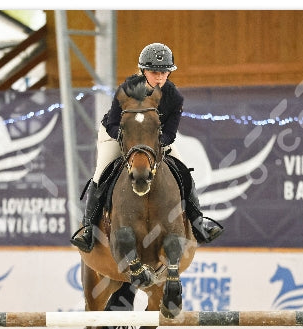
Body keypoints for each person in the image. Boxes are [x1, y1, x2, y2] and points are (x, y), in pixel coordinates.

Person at [70, 42, 224, 253]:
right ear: (143, 71)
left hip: (154, 141)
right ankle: (88, 229)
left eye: (164, 72)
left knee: (184, 172)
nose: (159, 77)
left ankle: (198, 223)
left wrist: (151, 145)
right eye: (154, 72)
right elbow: (113, 123)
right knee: (100, 173)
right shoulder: (127, 90)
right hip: (116, 136)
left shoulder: (174, 97)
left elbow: (170, 134)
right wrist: (129, 142)